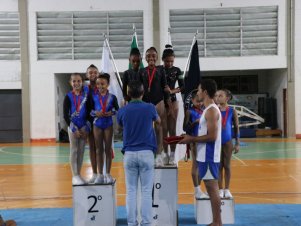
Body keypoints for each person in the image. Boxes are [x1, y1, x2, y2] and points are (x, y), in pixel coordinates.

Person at [179, 79, 222, 226]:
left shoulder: (211, 110)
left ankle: (217, 222)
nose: (197, 93)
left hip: (209, 156)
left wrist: (192, 138)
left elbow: (212, 136)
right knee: (211, 189)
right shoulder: (208, 110)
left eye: (198, 90)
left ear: (204, 91)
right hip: (205, 156)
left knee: (212, 188)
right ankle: (216, 221)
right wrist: (197, 124)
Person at [117, 80, 160, 226]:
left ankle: (131, 223)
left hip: (129, 154)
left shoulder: (123, 110)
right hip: (147, 153)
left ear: (128, 94)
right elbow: (159, 121)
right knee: (147, 192)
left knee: (131, 192)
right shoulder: (150, 107)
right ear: (143, 93)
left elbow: (119, 127)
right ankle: (146, 223)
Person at [139, 47, 170, 166]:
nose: (151, 58)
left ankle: (158, 155)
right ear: (145, 58)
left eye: (153, 56)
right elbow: (139, 89)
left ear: (157, 58)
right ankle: (147, 154)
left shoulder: (161, 70)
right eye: (149, 56)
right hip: (145, 102)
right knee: (146, 128)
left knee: (159, 127)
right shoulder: (142, 71)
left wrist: (168, 104)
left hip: (159, 101)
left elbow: (165, 87)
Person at [90, 73, 119, 184]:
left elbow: (117, 110)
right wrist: (95, 113)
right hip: (97, 124)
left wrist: (111, 112)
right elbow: (90, 111)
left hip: (108, 124)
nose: (100, 86)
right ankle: (100, 174)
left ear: (108, 84)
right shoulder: (94, 96)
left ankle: (108, 173)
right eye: (98, 84)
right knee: (98, 150)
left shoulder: (112, 97)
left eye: (102, 84)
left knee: (107, 149)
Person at [63, 73, 90, 185]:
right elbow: (65, 115)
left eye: (79, 81)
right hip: (73, 126)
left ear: (82, 82)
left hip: (83, 127)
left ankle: (78, 174)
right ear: (70, 83)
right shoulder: (68, 96)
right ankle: (75, 175)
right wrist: (74, 129)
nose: (76, 83)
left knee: (81, 151)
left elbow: (89, 111)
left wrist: (86, 127)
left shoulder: (86, 96)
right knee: (74, 150)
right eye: (74, 81)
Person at [161, 44, 184, 165]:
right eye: (167, 61)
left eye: (171, 61)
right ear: (163, 59)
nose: (169, 63)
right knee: (163, 130)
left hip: (173, 100)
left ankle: (173, 154)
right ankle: (164, 153)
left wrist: (172, 91)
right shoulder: (159, 69)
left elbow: (182, 86)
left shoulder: (177, 70)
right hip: (161, 101)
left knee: (172, 129)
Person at [183, 90, 208, 199]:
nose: (200, 103)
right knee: (196, 165)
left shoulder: (205, 111)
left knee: (203, 165)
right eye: (197, 101)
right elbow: (185, 128)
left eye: (201, 101)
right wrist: (195, 122)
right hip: (194, 141)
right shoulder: (189, 112)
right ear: (192, 100)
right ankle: (196, 189)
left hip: (205, 141)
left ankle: (200, 189)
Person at [216, 89, 240, 198]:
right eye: (216, 95)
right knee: (219, 166)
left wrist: (237, 143)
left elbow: (236, 128)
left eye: (220, 96)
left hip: (228, 141)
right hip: (216, 141)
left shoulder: (232, 111)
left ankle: (227, 189)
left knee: (227, 166)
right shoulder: (215, 110)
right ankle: (220, 189)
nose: (218, 97)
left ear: (227, 98)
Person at [86, 64, 99, 183]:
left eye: (95, 72)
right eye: (90, 73)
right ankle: (94, 173)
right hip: (89, 121)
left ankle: (102, 172)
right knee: (92, 147)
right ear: (87, 75)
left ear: (98, 74)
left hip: (101, 121)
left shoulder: (102, 87)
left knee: (101, 148)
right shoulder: (85, 89)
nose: (93, 74)